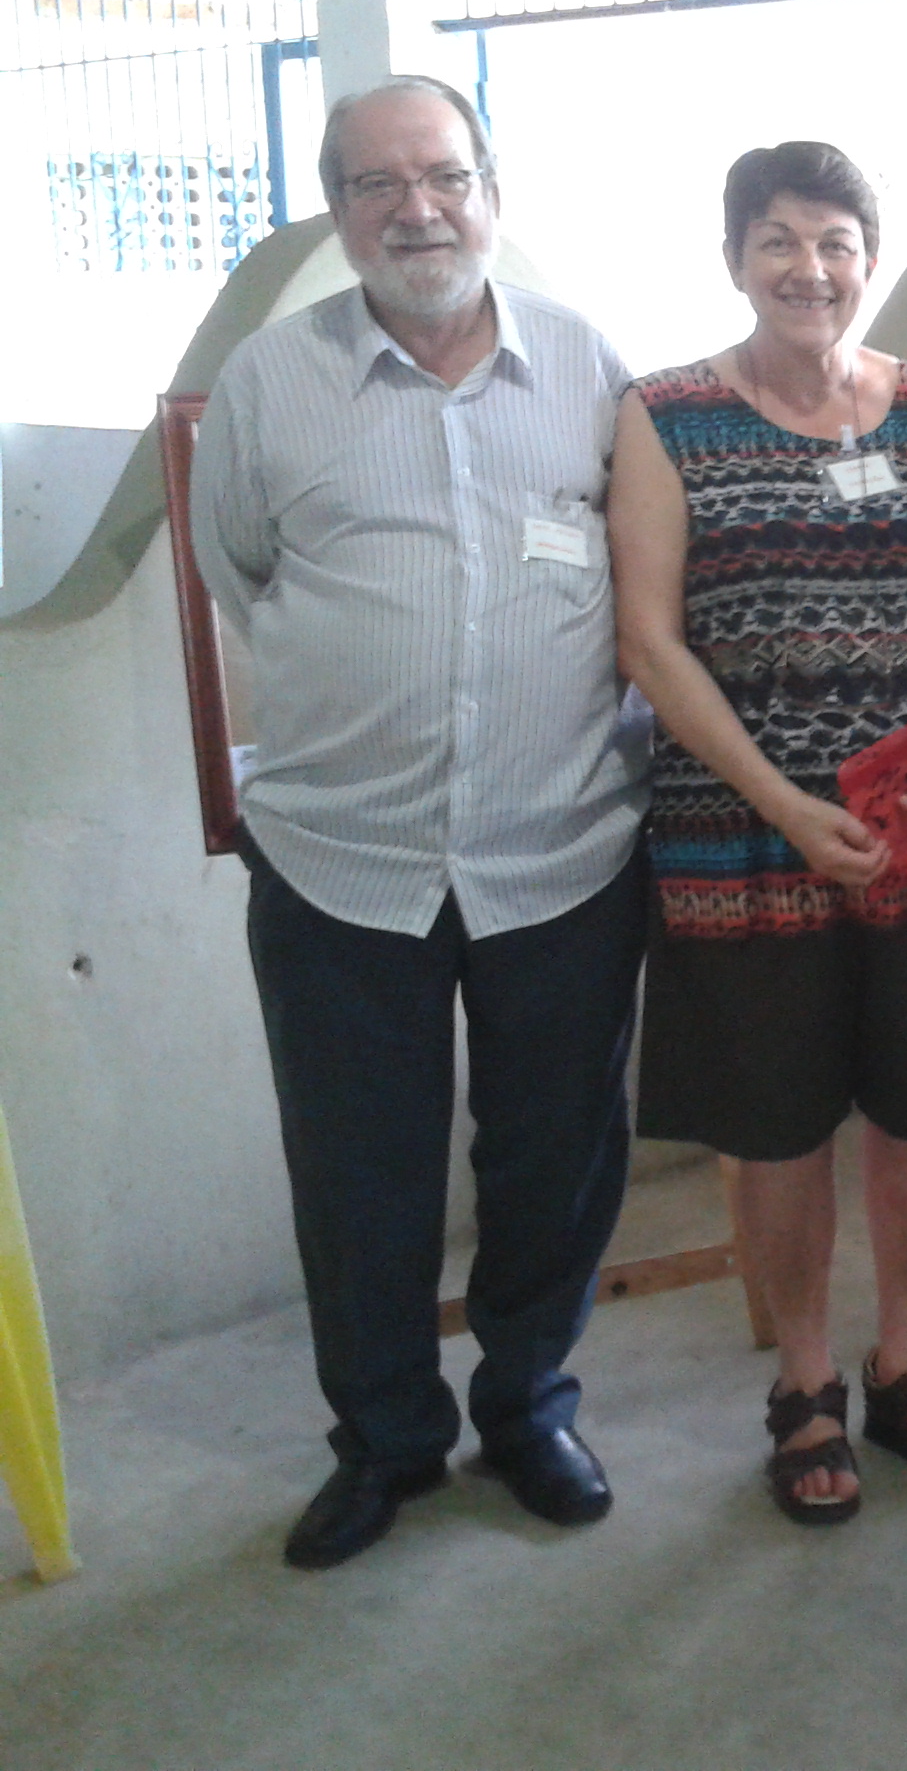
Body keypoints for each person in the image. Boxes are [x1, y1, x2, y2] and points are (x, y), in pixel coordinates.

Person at [192, 76, 647, 1568]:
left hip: (563, 849)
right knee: (358, 1172)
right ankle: (385, 1440)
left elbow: (646, 584)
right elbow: (244, 573)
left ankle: (527, 1407)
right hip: (343, 863)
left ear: (491, 191)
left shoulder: (589, 369)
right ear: (338, 212)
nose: (416, 209)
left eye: (442, 176)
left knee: (555, 1160)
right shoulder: (269, 383)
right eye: (377, 185)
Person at [609, 141, 907, 1525]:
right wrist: (784, 805)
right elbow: (650, 640)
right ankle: (804, 1387)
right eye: (780, 240)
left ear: (868, 256)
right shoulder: (667, 414)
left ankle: (906, 1363)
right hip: (746, 838)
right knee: (776, 1121)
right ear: (737, 256)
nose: (811, 268)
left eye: (838, 241)